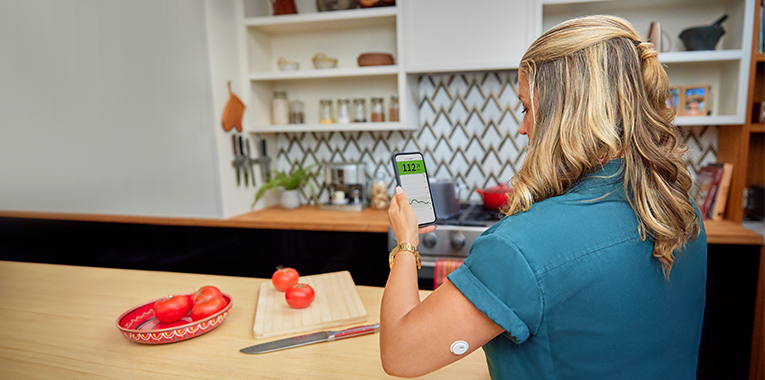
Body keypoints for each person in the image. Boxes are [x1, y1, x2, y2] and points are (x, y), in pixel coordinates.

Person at [381, 15, 706, 379]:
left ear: (563, 113)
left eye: (526, 108)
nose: (523, 128)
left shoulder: (520, 246)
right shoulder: (680, 211)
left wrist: (406, 242)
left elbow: (401, 354)